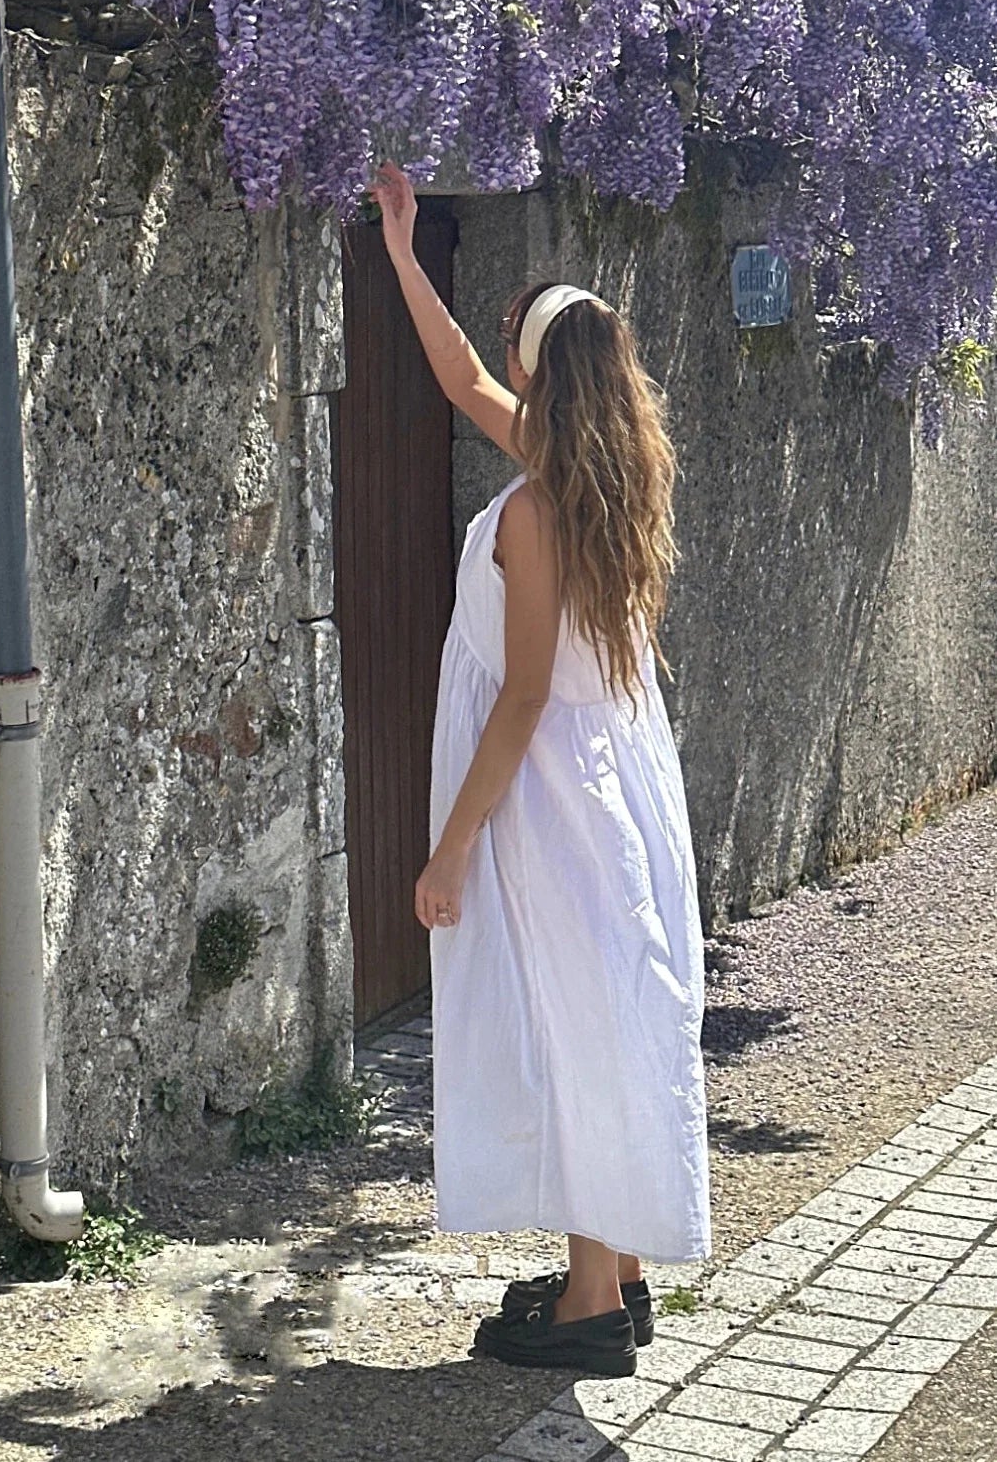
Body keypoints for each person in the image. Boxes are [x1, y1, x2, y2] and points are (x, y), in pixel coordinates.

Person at [366, 161, 712, 1377]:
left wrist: (450, 842)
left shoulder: (535, 509)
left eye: (513, 338)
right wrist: (404, 256)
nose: (497, 357)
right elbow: (456, 375)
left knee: (578, 1026)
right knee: (609, 1012)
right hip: (610, 777)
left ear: (538, 371)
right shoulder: (611, 475)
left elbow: (519, 696)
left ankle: (588, 1306)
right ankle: (612, 1274)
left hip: (551, 793)